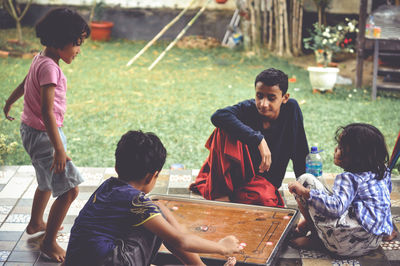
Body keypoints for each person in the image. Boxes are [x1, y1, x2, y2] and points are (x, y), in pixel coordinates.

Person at [64, 130, 241, 266]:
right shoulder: (136, 201)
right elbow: (181, 240)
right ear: (152, 176)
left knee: (155, 209)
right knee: (157, 214)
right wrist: (222, 247)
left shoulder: (108, 186)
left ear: (117, 165)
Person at [2, 8, 90, 262]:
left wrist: (9, 101)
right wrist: (59, 149)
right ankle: (49, 243)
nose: (79, 49)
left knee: (45, 180)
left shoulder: (39, 59)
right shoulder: (51, 69)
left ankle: (35, 223)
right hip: (44, 135)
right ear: (58, 40)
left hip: (29, 130)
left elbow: (25, 81)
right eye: (77, 43)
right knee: (69, 191)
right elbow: (47, 111)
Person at [190, 68, 309, 207]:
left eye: (271, 98)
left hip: (264, 181)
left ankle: (235, 196)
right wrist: (258, 139)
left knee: (265, 201)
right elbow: (218, 116)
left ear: (285, 98)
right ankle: (221, 194)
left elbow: (300, 151)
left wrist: (303, 188)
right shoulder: (248, 108)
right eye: (259, 96)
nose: (263, 104)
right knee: (222, 130)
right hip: (237, 175)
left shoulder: (291, 109)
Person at [288, 123, 393, 257]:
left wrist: (305, 192)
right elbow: (383, 203)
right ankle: (311, 227)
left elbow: (335, 207)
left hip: (341, 245)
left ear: (356, 157)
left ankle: (316, 238)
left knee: (305, 180)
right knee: (343, 200)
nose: (336, 149)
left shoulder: (348, 179)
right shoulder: (383, 172)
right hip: (372, 242)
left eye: (341, 148)